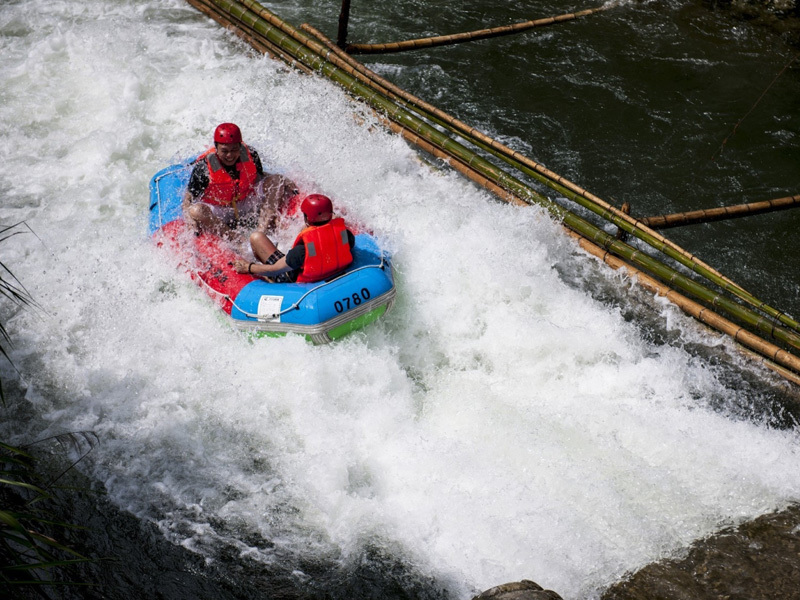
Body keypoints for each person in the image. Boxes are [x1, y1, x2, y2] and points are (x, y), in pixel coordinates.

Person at [182, 122, 297, 238]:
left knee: (277, 181)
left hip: (246, 200)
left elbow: (261, 176)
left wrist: (282, 180)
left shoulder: (251, 154)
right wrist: (188, 218)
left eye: (234, 150)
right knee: (196, 211)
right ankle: (237, 240)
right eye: (224, 151)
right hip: (220, 209)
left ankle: (261, 232)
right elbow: (188, 197)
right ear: (216, 148)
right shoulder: (203, 169)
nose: (230, 155)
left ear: (240, 146)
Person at [233, 194, 355, 284]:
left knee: (256, 237)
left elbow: (274, 270)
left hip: (291, 278)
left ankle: (269, 281)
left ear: (306, 218)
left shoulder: (301, 251)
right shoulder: (346, 234)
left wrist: (248, 267)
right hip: (332, 270)